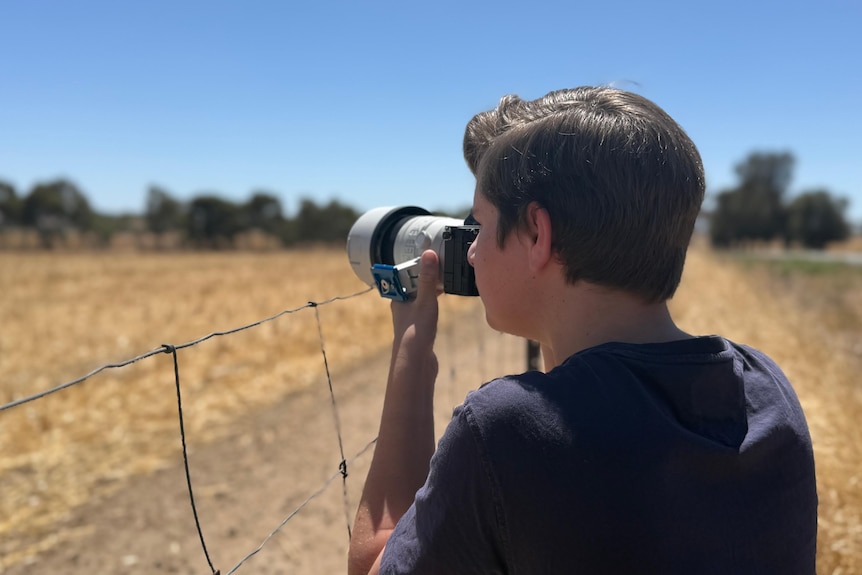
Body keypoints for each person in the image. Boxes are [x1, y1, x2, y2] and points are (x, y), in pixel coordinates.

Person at [347, 86, 818, 574]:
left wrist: (413, 348)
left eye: (480, 224)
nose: (470, 250)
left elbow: (372, 564)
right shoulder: (765, 388)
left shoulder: (505, 431)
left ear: (537, 234)